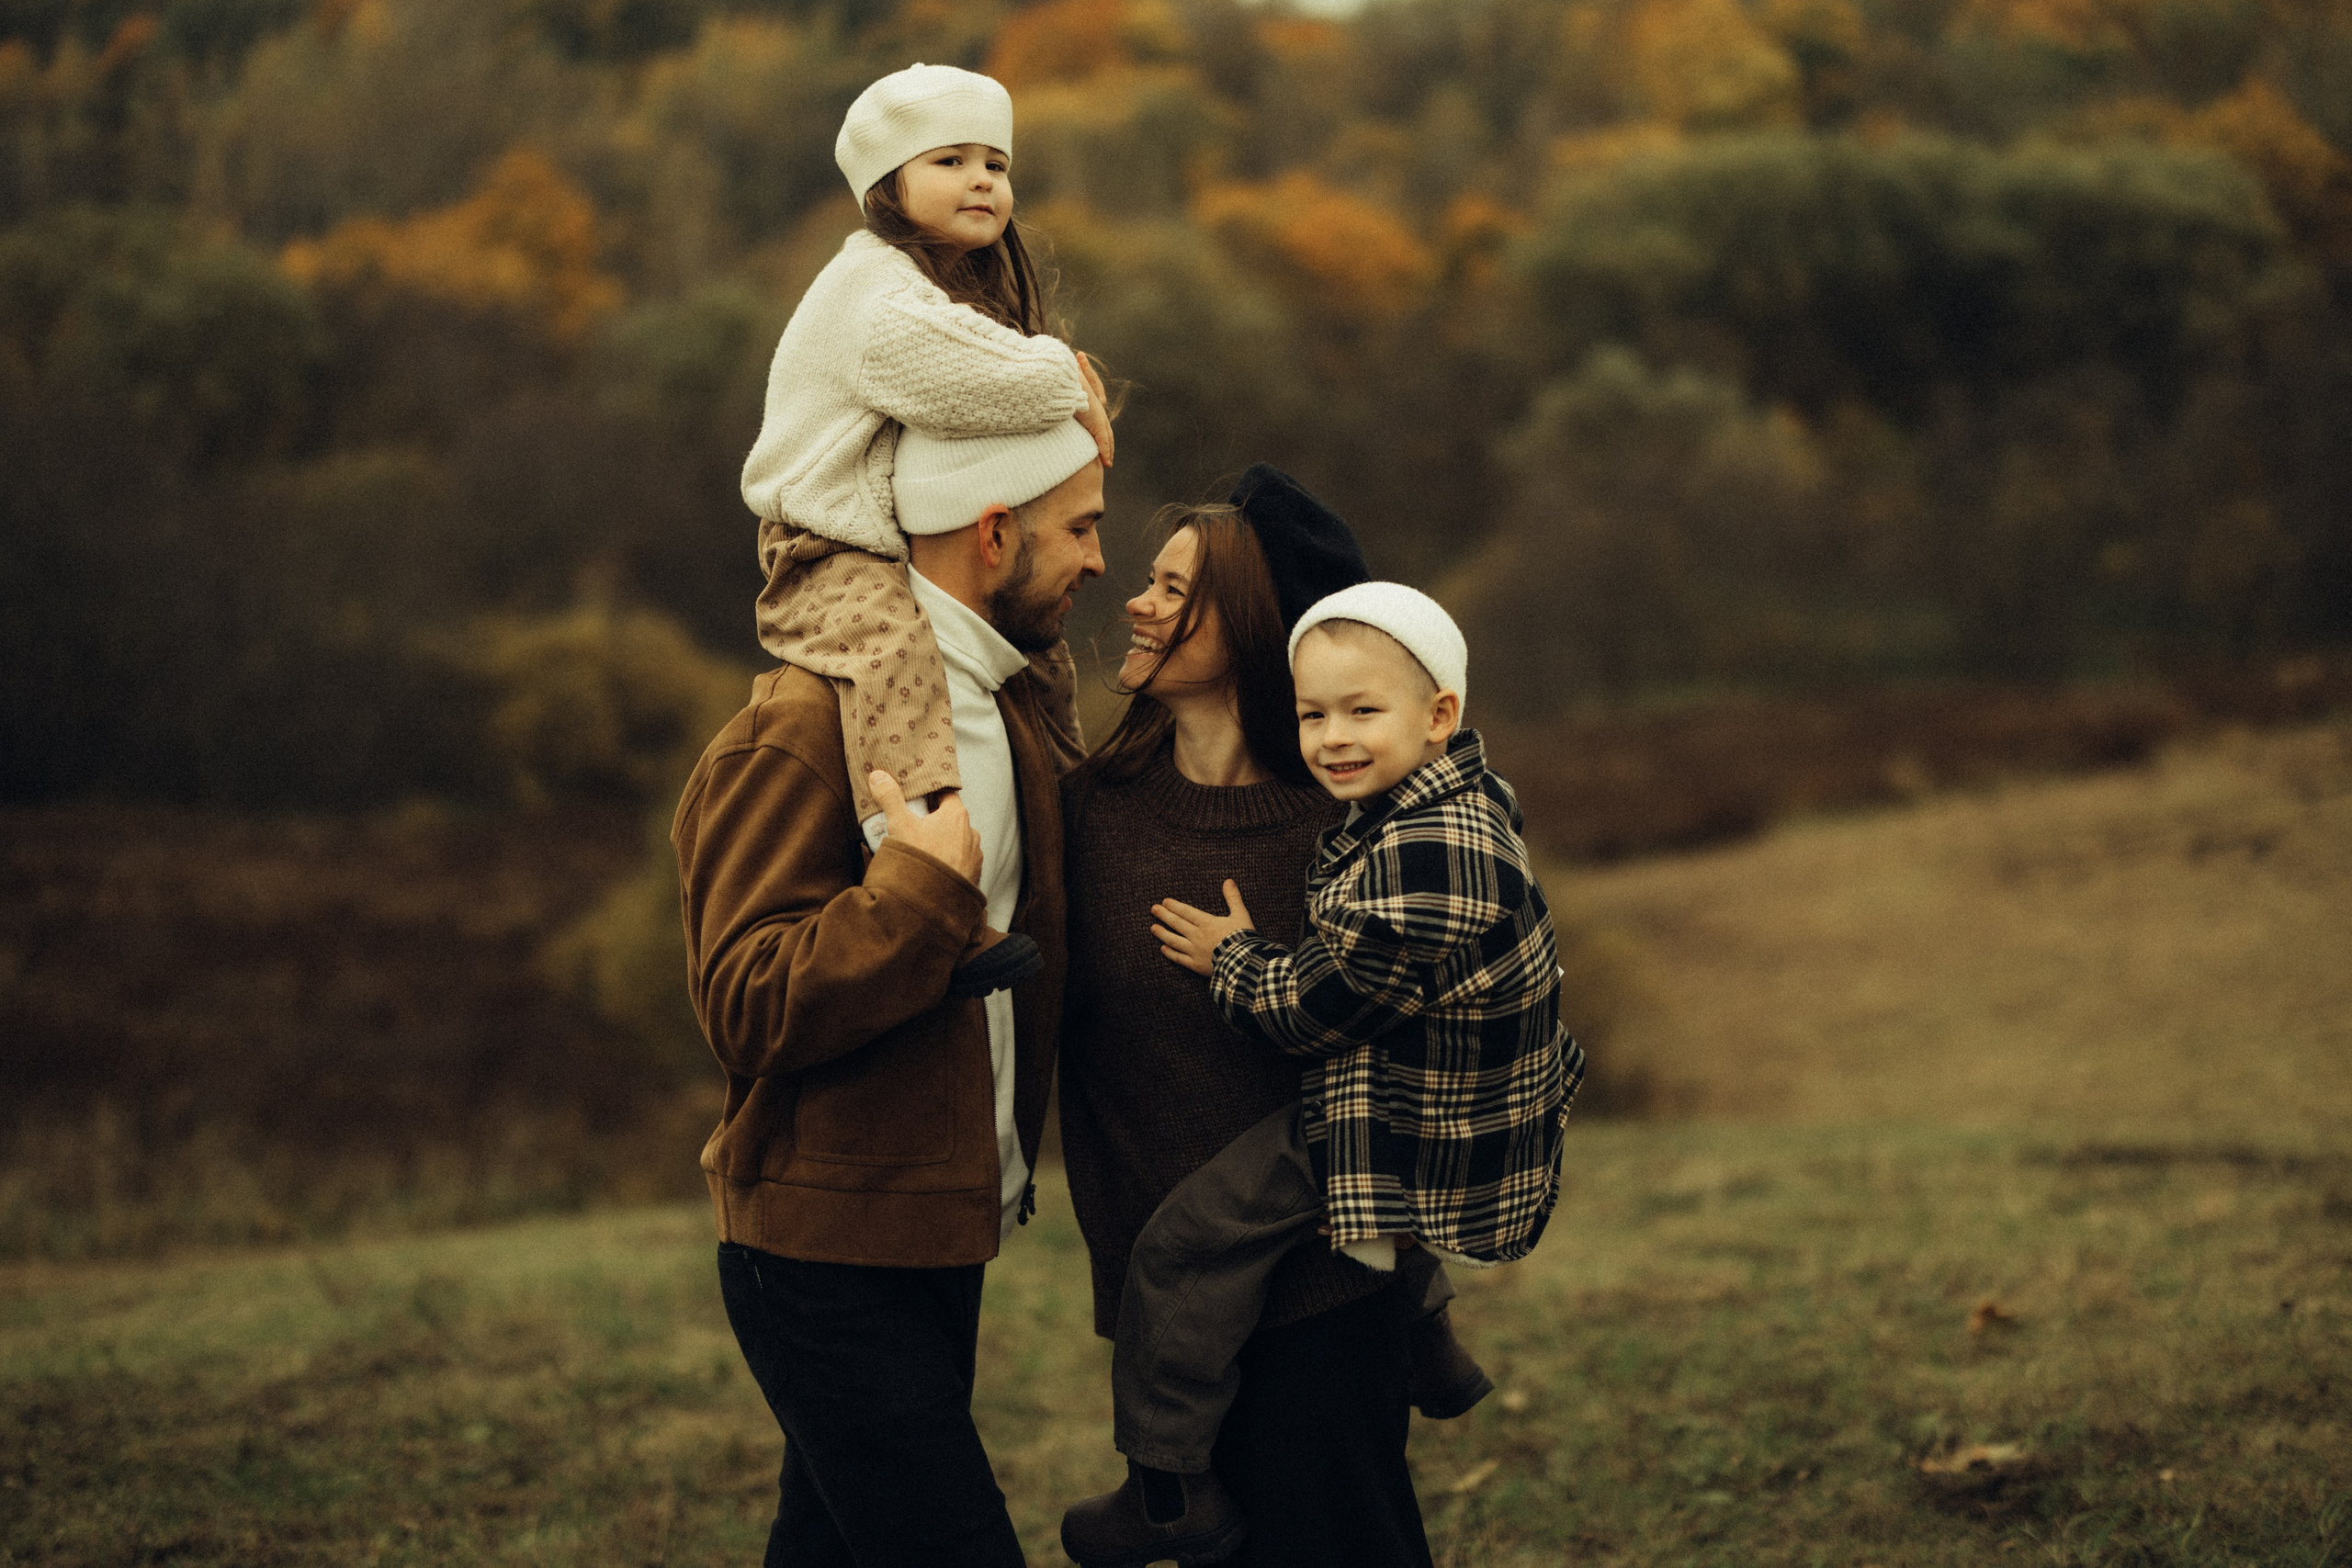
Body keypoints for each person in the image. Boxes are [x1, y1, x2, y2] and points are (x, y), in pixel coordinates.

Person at [1065, 581, 1583, 1567]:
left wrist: (1234, 955)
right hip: (1427, 1093)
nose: (1332, 738)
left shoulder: (1428, 850)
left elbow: (1316, 1012)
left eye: (1361, 712)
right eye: (1313, 714)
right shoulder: (1449, 797)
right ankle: (1429, 1348)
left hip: (1401, 1113)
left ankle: (1166, 1487)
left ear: (1440, 718)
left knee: (1182, 1252)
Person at [673, 417, 1104, 1567]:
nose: (1098, 561)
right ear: (995, 530)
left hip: (938, 1230)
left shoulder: (1008, 714)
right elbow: (743, 1000)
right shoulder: (799, 731)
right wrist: (915, 897)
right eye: (1082, 528)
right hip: (821, 1256)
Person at [1057, 468, 1453, 1568]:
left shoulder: (1348, 832)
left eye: (1174, 588)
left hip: (1321, 1300)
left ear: (1252, 627)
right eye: (1145, 577)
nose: (1135, 601)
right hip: (1167, 1307)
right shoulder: (1086, 810)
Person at [740, 60, 1116, 997]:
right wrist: (1074, 381)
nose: (984, 180)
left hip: (888, 536)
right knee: (889, 657)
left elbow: (996, 373)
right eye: (950, 159)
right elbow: (986, 381)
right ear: (886, 187)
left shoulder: (944, 288)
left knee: (1041, 664)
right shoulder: (871, 297)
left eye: (995, 161)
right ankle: (925, 866)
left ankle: (1075, 835)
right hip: (821, 544)